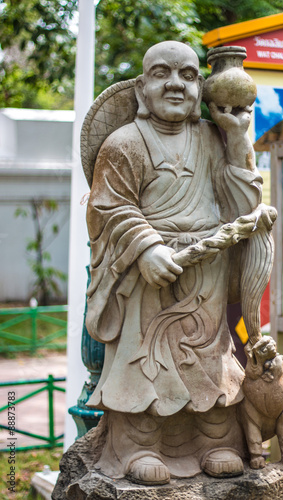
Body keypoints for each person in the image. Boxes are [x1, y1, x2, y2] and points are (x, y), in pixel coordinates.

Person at [85, 40, 268, 485]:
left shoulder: (211, 138)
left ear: (201, 88)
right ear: (142, 88)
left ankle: (215, 440)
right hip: (149, 279)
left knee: (209, 357)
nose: (175, 84)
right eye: (162, 73)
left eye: (188, 75)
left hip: (207, 272)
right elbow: (107, 208)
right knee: (146, 360)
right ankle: (137, 446)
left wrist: (238, 138)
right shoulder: (124, 142)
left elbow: (241, 205)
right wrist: (146, 247)